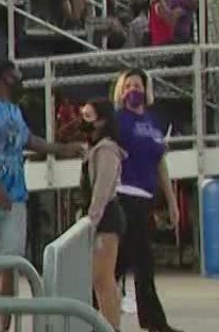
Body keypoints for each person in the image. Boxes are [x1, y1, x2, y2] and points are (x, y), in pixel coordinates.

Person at [0, 59, 82, 330]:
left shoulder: (15, 111)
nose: (21, 80)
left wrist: (63, 149)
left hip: (15, 196)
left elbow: (30, 140)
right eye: (17, 75)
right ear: (5, 77)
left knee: (10, 261)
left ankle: (3, 327)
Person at [111, 69, 180, 332]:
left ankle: (89, 307)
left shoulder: (153, 122)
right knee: (142, 262)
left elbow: (160, 162)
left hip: (145, 198)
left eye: (136, 85)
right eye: (127, 85)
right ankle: (155, 323)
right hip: (124, 196)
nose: (132, 90)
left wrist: (171, 201)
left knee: (122, 262)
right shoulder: (118, 121)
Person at [80, 99, 127, 331]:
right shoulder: (95, 149)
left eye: (88, 117)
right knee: (101, 280)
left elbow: (102, 188)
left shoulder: (107, 149)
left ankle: (111, 327)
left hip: (106, 218)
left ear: (102, 121)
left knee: (103, 280)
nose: (83, 122)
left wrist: (91, 221)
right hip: (101, 217)